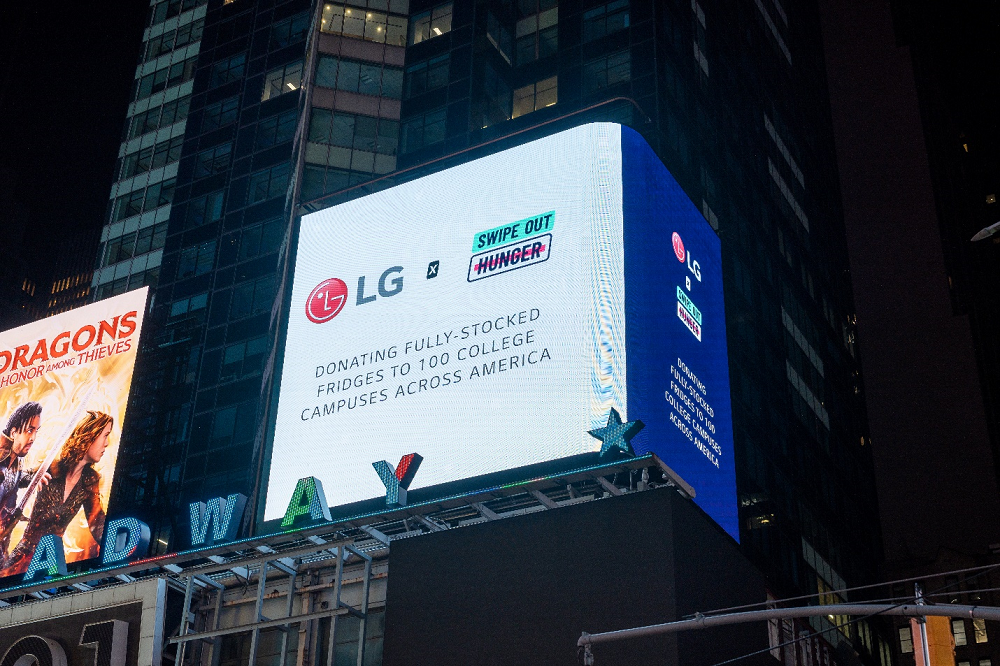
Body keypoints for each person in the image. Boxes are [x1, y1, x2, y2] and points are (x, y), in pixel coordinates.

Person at [1, 411, 110, 576]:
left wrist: (116, 543)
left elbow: (97, 523)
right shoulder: (53, 468)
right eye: (105, 435)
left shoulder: (90, 481)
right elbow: (18, 477)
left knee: (49, 595)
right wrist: (33, 477)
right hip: (22, 558)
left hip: (52, 559)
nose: (107, 443)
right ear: (90, 436)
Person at [0, 401, 45, 559]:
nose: (33, 438)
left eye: (36, 431)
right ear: (13, 433)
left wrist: (36, 476)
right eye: (29, 430)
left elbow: (16, 479)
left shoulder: (16, 459)